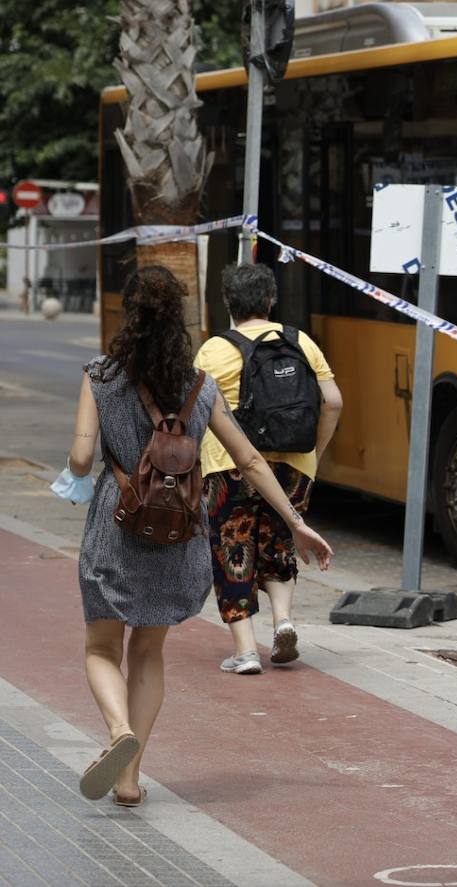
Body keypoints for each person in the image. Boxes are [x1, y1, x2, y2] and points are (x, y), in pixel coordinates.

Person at [63, 265, 332, 807]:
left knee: (100, 648)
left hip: (117, 526)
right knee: (148, 650)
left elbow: (81, 458)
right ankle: (129, 780)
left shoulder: (99, 376)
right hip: (178, 531)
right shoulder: (199, 387)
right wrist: (296, 522)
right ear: (177, 324)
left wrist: (81, 461)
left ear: (128, 315)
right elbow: (249, 459)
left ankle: (118, 733)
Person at [195, 263, 344, 675]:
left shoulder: (214, 349)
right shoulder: (300, 342)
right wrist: (314, 451)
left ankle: (245, 651)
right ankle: (284, 622)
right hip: (294, 462)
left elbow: (195, 409)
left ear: (228, 303)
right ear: (271, 299)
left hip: (229, 465)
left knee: (233, 549)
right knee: (280, 543)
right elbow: (333, 401)